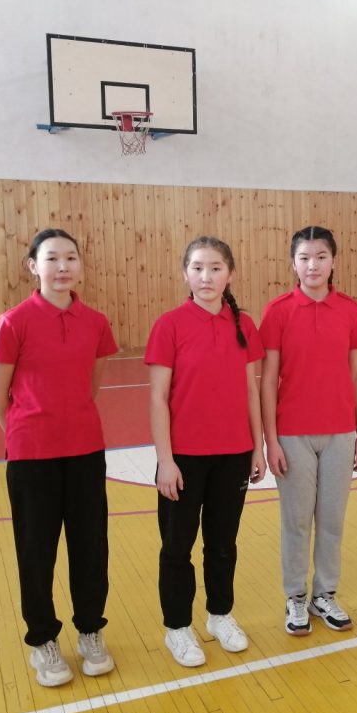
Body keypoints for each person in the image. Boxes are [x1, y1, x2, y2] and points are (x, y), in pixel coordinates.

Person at [0, 228, 118, 687]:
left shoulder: (96, 322)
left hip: (85, 452)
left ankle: (90, 631)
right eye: (52, 258)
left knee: (91, 548)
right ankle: (43, 639)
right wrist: (25, 436)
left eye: (71, 257)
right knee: (36, 551)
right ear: (33, 266)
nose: (62, 266)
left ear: (80, 265)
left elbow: (91, 386)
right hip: (32, 458)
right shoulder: (14, 322)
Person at [145, 236, 266, 668]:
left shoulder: (244, 325)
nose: (206, 276)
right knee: (177, 546)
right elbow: (158, 397)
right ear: (186, 274)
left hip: (233, 455)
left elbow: (251, 391)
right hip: (184, 459)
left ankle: (219, 615)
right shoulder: (169, 325)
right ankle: (178, 627)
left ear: (229, 273)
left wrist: (257, 448)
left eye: (215, 268)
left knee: (223, 543)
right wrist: (165, 460)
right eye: (197, 268)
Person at [260, 226, 357, 635]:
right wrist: (271, 440)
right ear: (293, 264)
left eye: (321, 257)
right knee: (297, 521)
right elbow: (268, 382)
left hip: (340, 434)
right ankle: (295, 597)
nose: (313, 265)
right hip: (293, 435)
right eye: (304, 258)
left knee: (332, 519)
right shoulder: (278, 311)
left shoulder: (350, 310)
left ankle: (325, 594)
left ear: (333, 261)